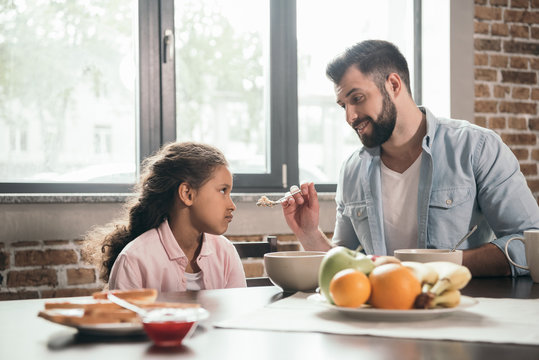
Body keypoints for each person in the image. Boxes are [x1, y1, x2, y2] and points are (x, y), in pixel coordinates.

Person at [281, 40, 539, 277]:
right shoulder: (352, 169)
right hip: (380, 319)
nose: (350, 117)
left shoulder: (476, 147)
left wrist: (444, 266)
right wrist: (309, 234)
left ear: (393, 85)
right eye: (343, 106)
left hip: (462, 314)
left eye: (357, 99)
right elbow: (346, 268)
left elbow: (531, 243)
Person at [86, 141, 246, 291]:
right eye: (223, 190)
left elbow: (239, 315)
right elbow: (127, 320)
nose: (232, 206)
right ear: (187, 193)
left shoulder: (226, 253)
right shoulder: (134, 260)